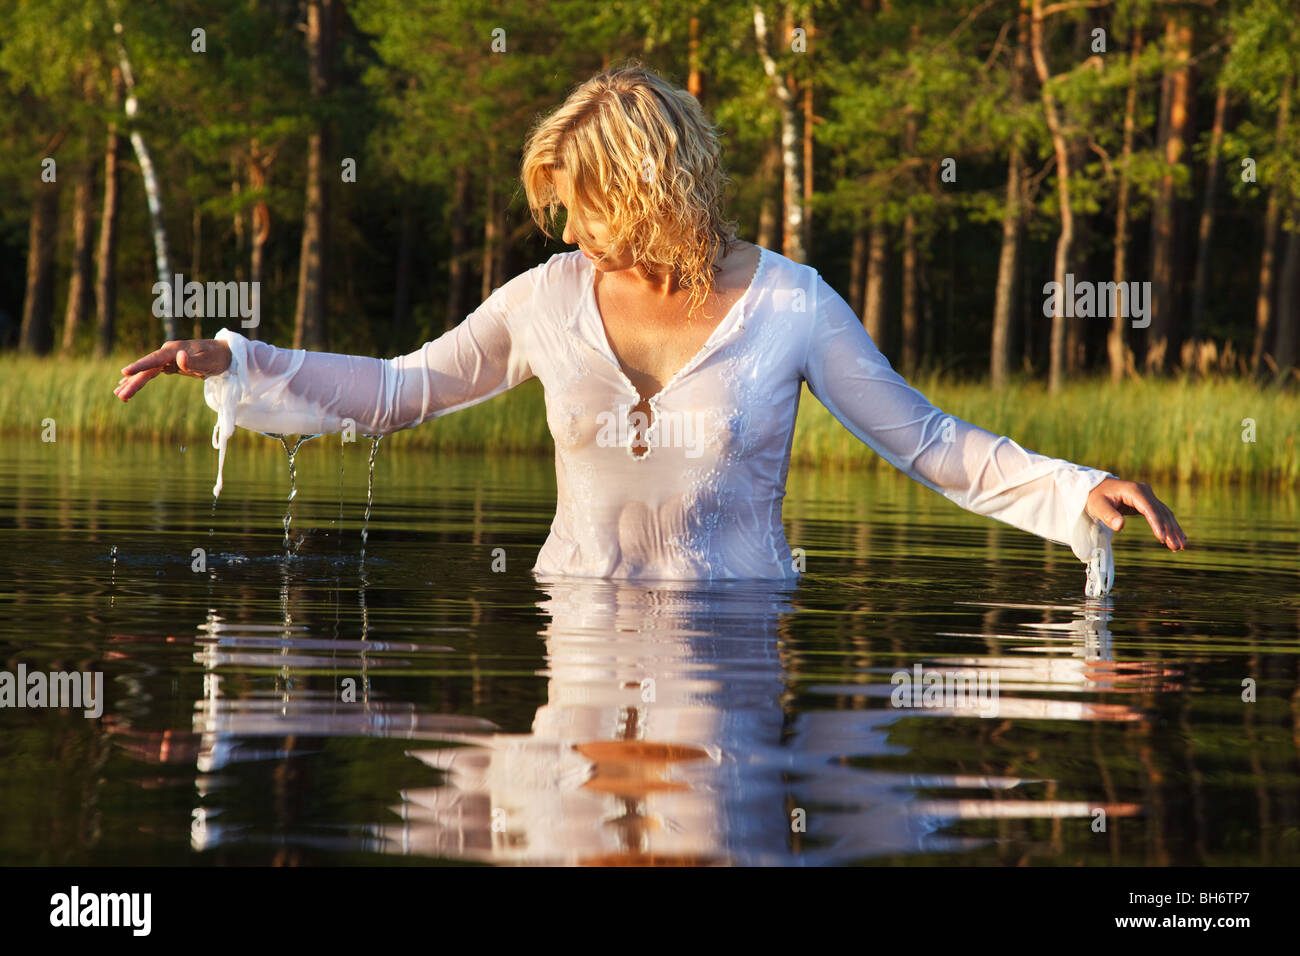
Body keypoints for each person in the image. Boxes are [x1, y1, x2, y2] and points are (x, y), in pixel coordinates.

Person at [114, 62, 1185, 593]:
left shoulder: (789, 304)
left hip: (736, 640)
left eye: (577, 203)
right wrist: (238, 356)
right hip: (570, 625)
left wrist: (1070, 484)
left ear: (644, 190)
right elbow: (400, 389)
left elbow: (926, 438)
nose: (562, 226)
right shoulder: (543, 299)